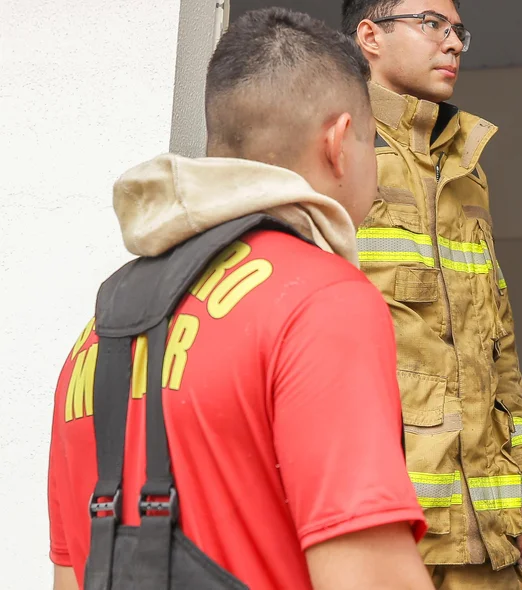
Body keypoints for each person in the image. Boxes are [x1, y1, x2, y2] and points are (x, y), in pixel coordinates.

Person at [46, 8, 437, 590]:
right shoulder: (320, 301)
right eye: (371, 145)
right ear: (338, 146)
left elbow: (69, 576)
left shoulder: (101, 333)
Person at [340, 2, 522, 588]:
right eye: (431, 24)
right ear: (370, 35)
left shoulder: (466, 162)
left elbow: (498, 341)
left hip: (487, 529)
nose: (454, 43)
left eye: (458, 30)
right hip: (384, 525)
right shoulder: (338, 145)